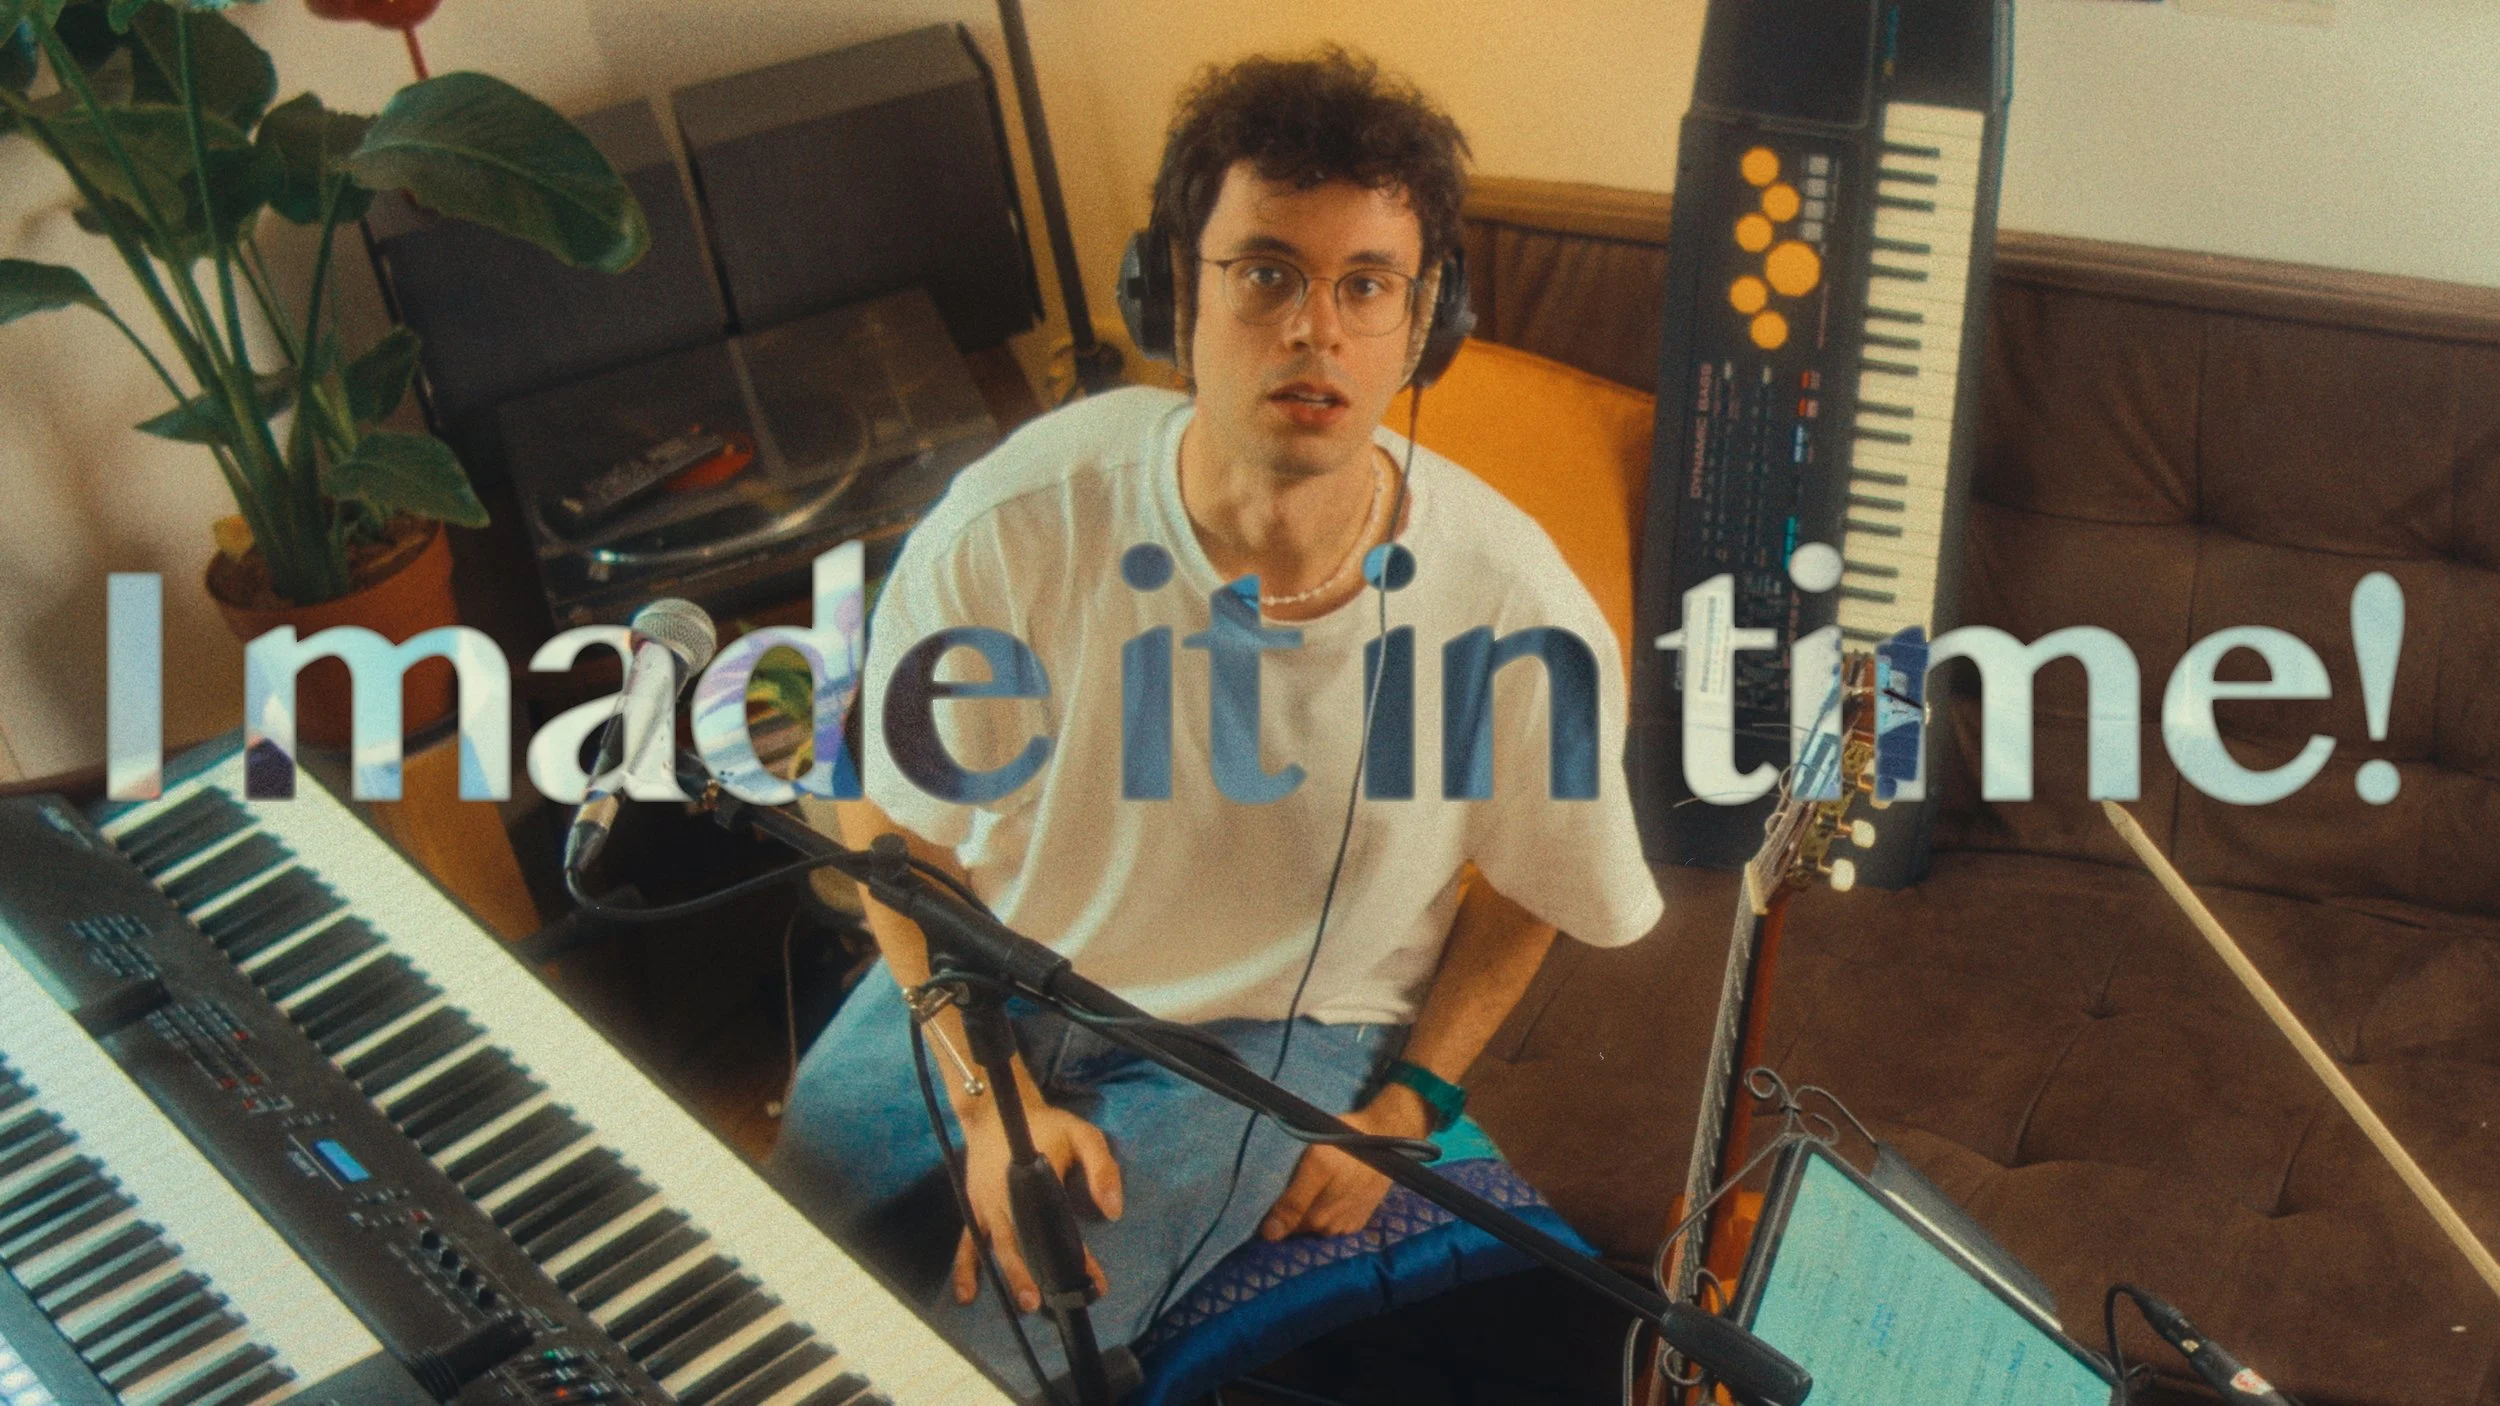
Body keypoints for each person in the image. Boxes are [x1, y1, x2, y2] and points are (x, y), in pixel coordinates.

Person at [771, 45, 1663, 1393]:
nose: (1317, 329)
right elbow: (886, 821)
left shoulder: (1512, 605)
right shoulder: (1019, 518)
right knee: (753, 1268)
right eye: (1265, 274)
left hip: (1263, 1036)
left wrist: (1410, 1105)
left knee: (967, 1359)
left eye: (1368, 285)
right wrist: (985, 1093)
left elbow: (1544, 879)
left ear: (1428, 326)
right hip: (988, 966)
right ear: (1170, 294)